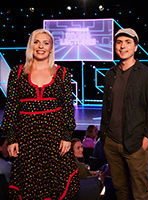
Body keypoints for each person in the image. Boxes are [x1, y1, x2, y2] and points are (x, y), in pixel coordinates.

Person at [0, 29, 79, 199]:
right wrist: (12, 138)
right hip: (27, 140)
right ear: (31, 46)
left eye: (46, 43)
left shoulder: (63, 73)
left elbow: (67, 108)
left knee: (55, 187)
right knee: (28, 188)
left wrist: (67, 136)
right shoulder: (18, 72)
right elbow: (11, 107)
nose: (41, 46)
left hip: (54, 140)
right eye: (36, 42)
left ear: (51, 48)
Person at [100, 28, 148, 200]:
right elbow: (106, 107)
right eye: (119, 42)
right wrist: (104, 138)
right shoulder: (110, 74)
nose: (123, 46)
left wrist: (147, 139)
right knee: (120, 190)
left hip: (136, 144)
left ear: (135, 47)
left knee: (141, 193)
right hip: (111, 142)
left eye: (128, 42)